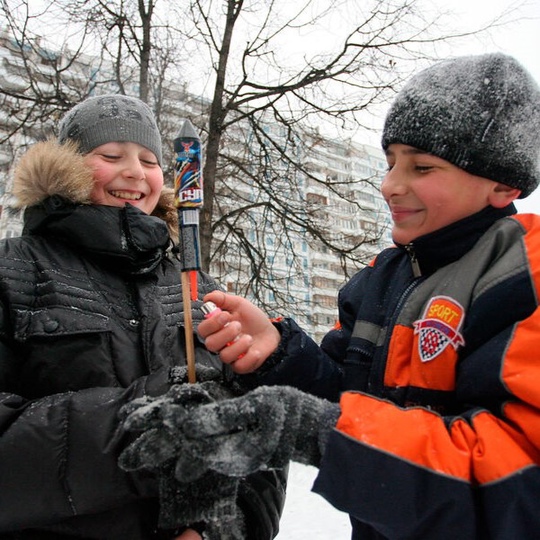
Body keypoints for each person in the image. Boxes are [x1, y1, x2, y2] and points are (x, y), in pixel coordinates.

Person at [119, 53, 540, 539]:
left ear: (502, 186)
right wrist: (280, 353)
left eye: (422, 167)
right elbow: (346, 395)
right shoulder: (380, 281)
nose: (390, 185)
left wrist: (314, 429)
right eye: (390, 163)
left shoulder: (522, 275)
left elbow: (516, 476)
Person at [0, 94, 286, 540]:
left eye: (149, 161)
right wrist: (139, 427)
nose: (134, 172)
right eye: (111, 156)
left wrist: (221, 528)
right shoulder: (13, 271)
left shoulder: (197, 287)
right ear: (65, 167)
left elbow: (257, 428)